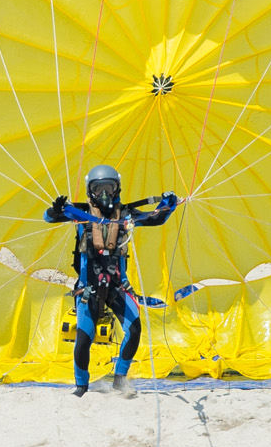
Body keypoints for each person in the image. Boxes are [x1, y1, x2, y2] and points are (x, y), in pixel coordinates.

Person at [44, 164, 178, 398]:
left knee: (134, 329)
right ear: (90, 191)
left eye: (109, 187)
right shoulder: (80, 213)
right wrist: (56, 210)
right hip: (89, 288)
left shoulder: (126, 215)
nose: (104, 194)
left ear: (117, 189)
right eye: (98, 189)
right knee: (84, 338)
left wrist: (168, 203)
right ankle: (81, 386)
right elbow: (48, 217)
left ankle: (119, 379)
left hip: (117, 286)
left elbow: (156, 218)